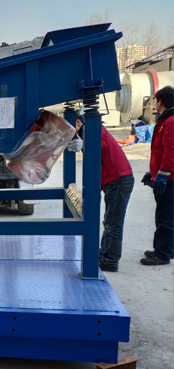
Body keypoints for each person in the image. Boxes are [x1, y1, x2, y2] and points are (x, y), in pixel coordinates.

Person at [67, 116, 134, 272]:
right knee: (109, 221)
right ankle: (104, 253)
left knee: (113, 223)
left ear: (78, 122)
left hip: (118, 179)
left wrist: (84, 144)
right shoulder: (88, 130)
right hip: (115, 179)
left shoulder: (92, 129)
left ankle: (110, 261)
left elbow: (101, 145)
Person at [140, 85, 174, 266]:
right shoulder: (167, 120)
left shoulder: (170, 122)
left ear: (160, 102)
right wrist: (152, 173)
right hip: (166, 177)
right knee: (167, 215)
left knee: (164, 217)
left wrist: (162, 175)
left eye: (155, 101)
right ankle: (167, 248)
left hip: (169, 180)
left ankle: (162, 254)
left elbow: (170, 151)